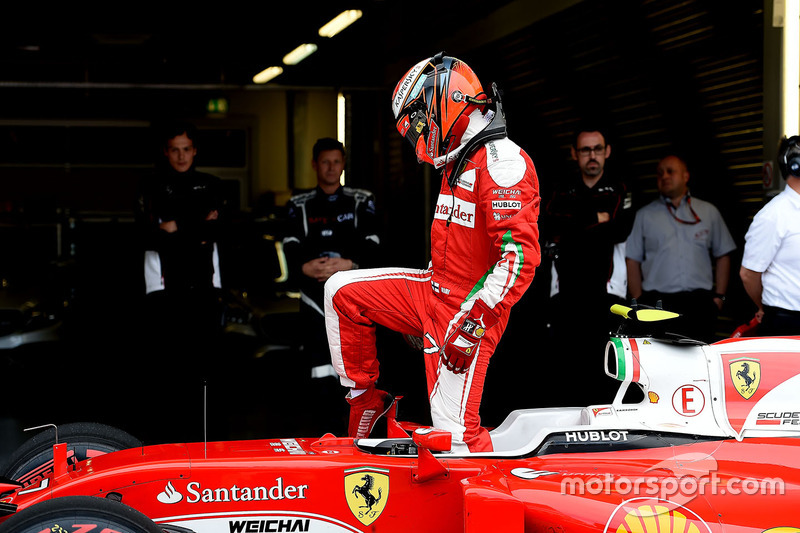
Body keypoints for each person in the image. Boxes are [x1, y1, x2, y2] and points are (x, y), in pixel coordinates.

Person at [323, 53, 540, 452]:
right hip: (432, 289)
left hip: (467, 312)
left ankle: (499, 504)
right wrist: (413, 311)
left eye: (418, 122)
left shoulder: (503, 162)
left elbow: (519, 261)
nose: (418, 136)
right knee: (340, 291)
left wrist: (470, 328)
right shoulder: (458, 157)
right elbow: (453, 246)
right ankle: (366, 401)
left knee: (454, 442)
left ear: (446, 100)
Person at [282, 138, 381, 428]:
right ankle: (319, 428)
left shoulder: (362, 199)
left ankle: (353, 426)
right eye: (325, 162)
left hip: (353, 297)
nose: (330, 168)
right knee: (318, 366)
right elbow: (288, 245)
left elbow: (375, 245)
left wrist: (351, 265)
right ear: (314, 164)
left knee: (355, 364)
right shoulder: (298, 204)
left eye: (336, 162)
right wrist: (303, 266)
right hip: (313, 296)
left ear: (343, 164)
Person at [541, 126, 634, 401]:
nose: (591, 155)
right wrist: (598, 217)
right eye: (585, 150)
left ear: (607, 152)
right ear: (574, 154)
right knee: (567, 368)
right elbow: (550, 227)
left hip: (608, 293)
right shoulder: (561, 189)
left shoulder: (621, 187)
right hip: (566, 293)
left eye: (597, 149)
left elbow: (620, 231)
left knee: (607, 367)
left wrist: (575, 222)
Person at [625, 154, 735, 342]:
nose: (665, 176)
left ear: (685, 176)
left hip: (699, 304)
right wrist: (639, 299)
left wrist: (719, 298)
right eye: (660, 174)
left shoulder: (708, 212)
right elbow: (631, 259)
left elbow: (723, 253)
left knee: (702, 361)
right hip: (657, 304)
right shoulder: (644, 216)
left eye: (670, 171)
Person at [739, 136, 800, 335]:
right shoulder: (773, 215)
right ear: (796, 166)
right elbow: (748, 274)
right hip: (787, 323)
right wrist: (762, 306)